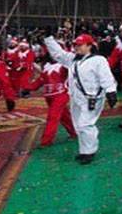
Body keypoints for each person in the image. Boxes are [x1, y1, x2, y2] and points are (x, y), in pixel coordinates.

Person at [43, 33, 117, 164]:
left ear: (89, 46)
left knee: (85, 124)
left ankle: (89, 152)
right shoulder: (73, 60)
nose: (77, 47)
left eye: (80, 45)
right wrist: (48, 39)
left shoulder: (98, 60)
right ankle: (84, 150)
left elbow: (105, 76)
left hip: (92, 97)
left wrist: (111, 91)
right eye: (75, 45)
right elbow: (58, 54)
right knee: (78, 125)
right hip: (76, 98)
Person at [27, 43, 77, 147]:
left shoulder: (65, 66)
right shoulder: (46, 66)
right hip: (49, 96)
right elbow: (41, 80)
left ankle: (46, 141)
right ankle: (74, 132)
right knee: (64, 116)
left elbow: (74, 72)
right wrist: (27, 87)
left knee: (53, 116)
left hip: (61, 95)